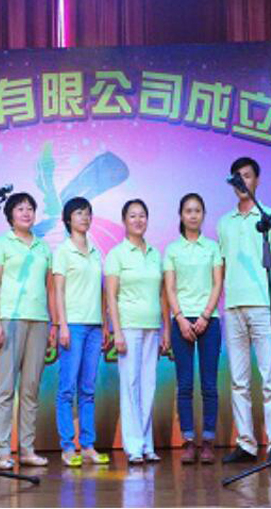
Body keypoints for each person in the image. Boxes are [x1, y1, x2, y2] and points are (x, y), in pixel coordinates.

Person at [218, 157, 271, 464]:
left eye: (247, 176)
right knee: (239, 380)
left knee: (270, 377)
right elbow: (221, 266)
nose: (242, 182)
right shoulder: (224, 222)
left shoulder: (270, 217)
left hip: (263, 305)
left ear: (257, 180)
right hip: (233, 307)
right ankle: (246, 443)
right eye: (237, 176)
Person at [0, 192, 56, 470]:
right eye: (20, 209)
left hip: (39, 320)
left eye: (30, 208)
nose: (26, 213)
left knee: (30, 389)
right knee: (5, 388)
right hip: (10, 320)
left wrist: (54, 323)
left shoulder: (43, 247)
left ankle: (27, 449)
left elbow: (50, 289)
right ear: (10, 215)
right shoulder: (1, 244)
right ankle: (3, 451)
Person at [105, 199, 170, 465]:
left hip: (152, 326)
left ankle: (146, 444)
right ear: (124, 221)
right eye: (133, 216)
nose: (138, 220)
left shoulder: (155, 254)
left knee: (149, 385)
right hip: (129, 326)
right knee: (130, 385)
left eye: (142, 215)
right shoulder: (117, 254)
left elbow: (162, 294)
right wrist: (117, 331)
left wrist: (166, 329)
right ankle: (133, 446)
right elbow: (111, 296)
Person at [163, 193, 223, 464]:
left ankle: (208, 441)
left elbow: (217, 283)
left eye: (197, 210)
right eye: (188, 210)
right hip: (182, 321)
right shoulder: (172, 250)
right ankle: (188, 441)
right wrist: (180, 318)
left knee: (209, 385)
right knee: (185, 384)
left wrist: (205, 316)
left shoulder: (212, 247)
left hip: (209, 320)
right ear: (181, 215)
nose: (193, 215)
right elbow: (170, 288)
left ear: (203, 215)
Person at [53, 197, 111, 467]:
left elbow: (101, 290)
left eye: (88, 213)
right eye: (79, 213)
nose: (85, 217)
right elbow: (58, 291)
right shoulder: (63, 251)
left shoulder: (96, 251)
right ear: (68, 219)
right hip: (73, 326)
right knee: (67, 389)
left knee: (87, 389)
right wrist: (62, 325)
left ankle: (87, 445)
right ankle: (67, 447)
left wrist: (105, 324)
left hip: (94, 327)